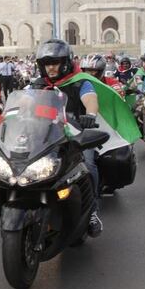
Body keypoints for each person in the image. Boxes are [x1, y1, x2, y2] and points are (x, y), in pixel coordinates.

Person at [31, 40, 104, 237]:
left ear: (65, 62)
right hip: (43, 137)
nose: (51, 67)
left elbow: (91, 100)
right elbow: (22, 102)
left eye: (55, 62)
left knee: (88, 165)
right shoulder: (37, 84)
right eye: (47, 64)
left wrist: (90, 115)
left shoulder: (80, 82)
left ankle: (92, 212)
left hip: (75, 136)